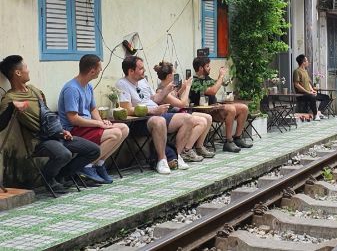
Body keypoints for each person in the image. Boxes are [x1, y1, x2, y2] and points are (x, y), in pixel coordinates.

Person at [0, 55, 100, 194]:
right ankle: (48, 179)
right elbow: (1, 125)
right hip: (39, 140)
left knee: (93, 150)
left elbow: (48, 117)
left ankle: (61, 175)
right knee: (64, 154)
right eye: (26, 67)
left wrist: (61, 131)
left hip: (56, 135)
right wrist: (12, 106)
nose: (28, 70)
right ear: (18, 72)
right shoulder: (10, 98)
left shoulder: (35, 90)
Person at [116, 56, 208, 174]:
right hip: (140, 120)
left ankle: (176, 155)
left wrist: (166, 90)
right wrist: (152, 111)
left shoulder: (143, 81)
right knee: (159, 121)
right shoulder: (122, 84)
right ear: (131, 71)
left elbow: (155, 98)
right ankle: (162, 160)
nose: (144, 70)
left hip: (156, 113)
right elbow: (127, 110)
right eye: (141, 68)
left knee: (188, 119)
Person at [58, 55, 129, 184]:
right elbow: (73, 119)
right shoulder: (72, 89)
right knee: (115, 133)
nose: (101, 70)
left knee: (124, 129)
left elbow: (93, 109)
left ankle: (99, 163)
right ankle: (87, 165)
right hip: (73, 130)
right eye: (99, 68)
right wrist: (98, 124)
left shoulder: (88, 86)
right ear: (92, 71)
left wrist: (101, 122)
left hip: (86, 126)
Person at [188, 56, 252, 153]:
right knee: (231, 109)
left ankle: (237, 138)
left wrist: (220, 77)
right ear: (201, 68)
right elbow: (212, 91)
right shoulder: (195, 81)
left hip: (215, 107)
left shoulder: (207, 78)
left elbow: (215, 85)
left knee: (243, 108)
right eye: (207, 66)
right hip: (205, 111)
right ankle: (228, 141)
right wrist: (221, 76)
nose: (210, 68)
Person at [154, 61, 215, 158]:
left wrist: (183, 88)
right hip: (172, 117)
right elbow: (182, 104)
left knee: (208, 118)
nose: (175, 75)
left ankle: (199, 147)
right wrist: (188, 87)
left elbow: (176, 97)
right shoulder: (162, 91)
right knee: (202, 121)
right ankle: (186, 150)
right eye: (174, 73)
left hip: (179, 113)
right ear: (169, 76)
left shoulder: (169, 87)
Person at [293, 54, 330, 121]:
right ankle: (315, 115)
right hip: (301, 94)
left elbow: (308, 83)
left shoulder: (305, 71)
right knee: (312, 97)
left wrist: (312, 90)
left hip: (309, 93)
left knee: (326, 97)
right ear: (303, 62)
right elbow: (296, 85)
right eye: (306, 60)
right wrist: (308, 92)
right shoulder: (297, 71)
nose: (308, 62)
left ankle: (319, 112)